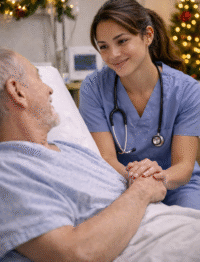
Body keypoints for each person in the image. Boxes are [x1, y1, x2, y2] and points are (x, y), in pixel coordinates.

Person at [1, 49, 200, 262]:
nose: (50, 89)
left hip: (180, 228)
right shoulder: (9, 169)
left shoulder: (70, 150)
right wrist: (143, 190)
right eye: (39, 78)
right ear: (17, 91)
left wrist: (144, 175)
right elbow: (75, 253)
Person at [79, 0, 200, 210]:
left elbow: (184, 166)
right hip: (119, 181)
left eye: (122, 41)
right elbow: (106, 157)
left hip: (176, 185)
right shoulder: (94, 87)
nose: (113, 55)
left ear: (148, 36)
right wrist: (138, 182)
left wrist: (159, 179)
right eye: (104, 46)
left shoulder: (187, 90)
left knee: (190, 226)